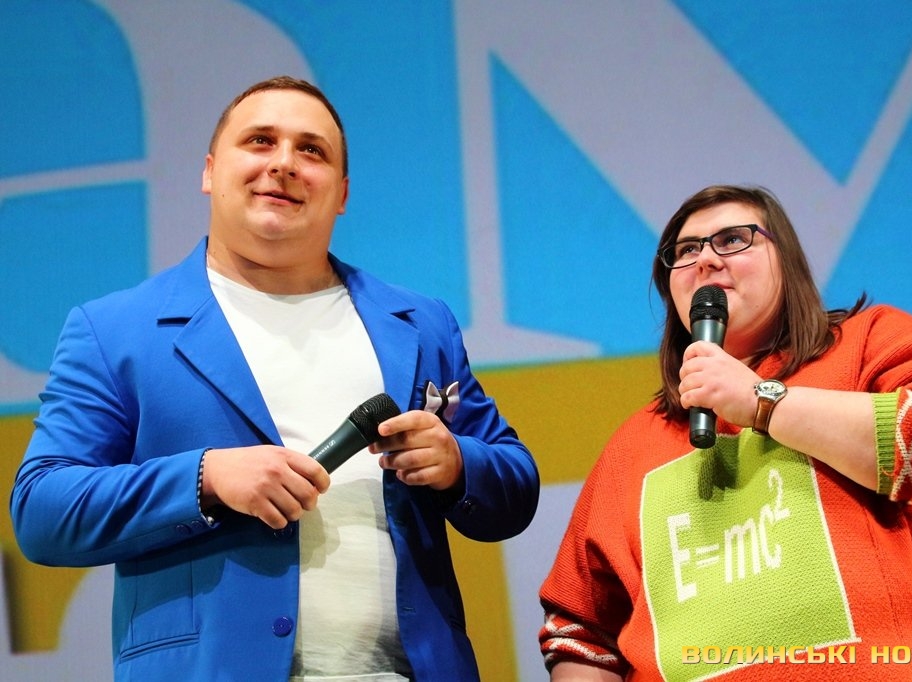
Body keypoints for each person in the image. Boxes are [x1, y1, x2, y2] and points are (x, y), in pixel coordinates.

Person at [10, 76, 539, 681]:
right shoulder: (115, 331)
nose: (284, 163)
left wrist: (457, 463)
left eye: (311, 150)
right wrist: (206, 478)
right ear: (210, 171)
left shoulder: (420, 323)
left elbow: (515, 486)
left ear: (341, 193)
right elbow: (43, 510)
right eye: (260, 141)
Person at [537, 184, 912, 680]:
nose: (706, 260)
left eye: (732, 240)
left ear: (786, 261)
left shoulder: (869, 342)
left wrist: (760, 401)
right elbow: (579, 629)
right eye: (686, 251)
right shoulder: (634, 444)